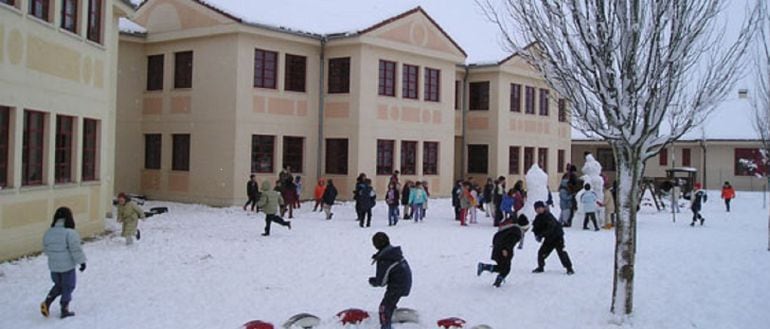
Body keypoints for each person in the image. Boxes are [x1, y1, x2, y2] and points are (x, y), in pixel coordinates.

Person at [40, 207, 87, 319]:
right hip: (67, 266)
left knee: (59, 285)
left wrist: (54, 257)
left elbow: (46, 249)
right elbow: (75, 249)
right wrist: (82, 262)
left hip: (53, 266)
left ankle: (47, 302)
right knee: (68, 286)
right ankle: (64, 308)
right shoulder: (70, 233)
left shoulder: (49, 232)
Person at [369, 232, 412, 329]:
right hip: (404, 282)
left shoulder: (385, 260)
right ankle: (392, 313)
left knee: (383, 308)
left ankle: (386, 326)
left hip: (398, 286)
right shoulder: (393, 253)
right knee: (390, 302)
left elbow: (381, 282)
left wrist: (373, 281)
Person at [477, 214, 529, 287]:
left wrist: (496, 245)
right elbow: (510, 241)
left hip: (498, 248)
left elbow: (497, 236)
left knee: (502, 267)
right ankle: (497, 281)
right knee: (506, 268)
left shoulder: (510, 228)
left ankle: (485, 267)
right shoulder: (517, 232)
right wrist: (505, 249)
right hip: (504, 251)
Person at [532, 201, 574, 275]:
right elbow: (535, 227)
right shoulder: (538, 218)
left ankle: (569, 268)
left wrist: (541, 235)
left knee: (561, 252)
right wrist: (537, 235)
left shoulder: (548, 216)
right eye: (536, 209)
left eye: (540, 208)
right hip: (549, 238)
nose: (538, 210)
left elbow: (551, 227)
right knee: (541, 252)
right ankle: (540, 267)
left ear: (543, 208)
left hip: (557, 237)